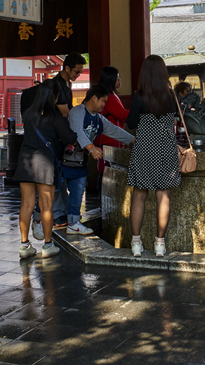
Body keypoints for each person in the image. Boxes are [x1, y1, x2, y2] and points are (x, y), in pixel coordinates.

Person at [126, 55, 182, 257]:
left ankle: (136, 243)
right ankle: (160, 244)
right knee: (163, 195)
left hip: (144, 148)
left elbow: (131, 123)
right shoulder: (171, 96)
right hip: (166, 148)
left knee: (139, 195)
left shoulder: (139, 96)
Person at [13, 81, 74, 259]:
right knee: (46, 205)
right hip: (45, 164)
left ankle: (25, 246)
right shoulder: (54, 116)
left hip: (25, 162)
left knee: (26, 205)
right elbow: (69, 136)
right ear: (54, 97)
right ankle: (48, 245)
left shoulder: (28, 114)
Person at [65, 85, 134, 234]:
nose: (103, 105)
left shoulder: (98, 119)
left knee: (77, 191)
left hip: (79, 161)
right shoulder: (77, 111)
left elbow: (114, 130)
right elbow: (76, 130)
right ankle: (44, 219)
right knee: (57, 191)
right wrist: (90, 147)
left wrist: (132, 140)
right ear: (94, 98)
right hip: (64, 159)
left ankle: (73, 222)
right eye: (102, 101)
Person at [49, 53, 87, 230]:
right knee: (57, 175)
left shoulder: (66, 84)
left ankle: (62, 212)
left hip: (62, 133)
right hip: (55, 134)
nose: (78, 75)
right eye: (76, 71)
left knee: (62, 173)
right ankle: (57, 213)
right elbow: (64, 111)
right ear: (66, 68)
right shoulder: (56, 85)